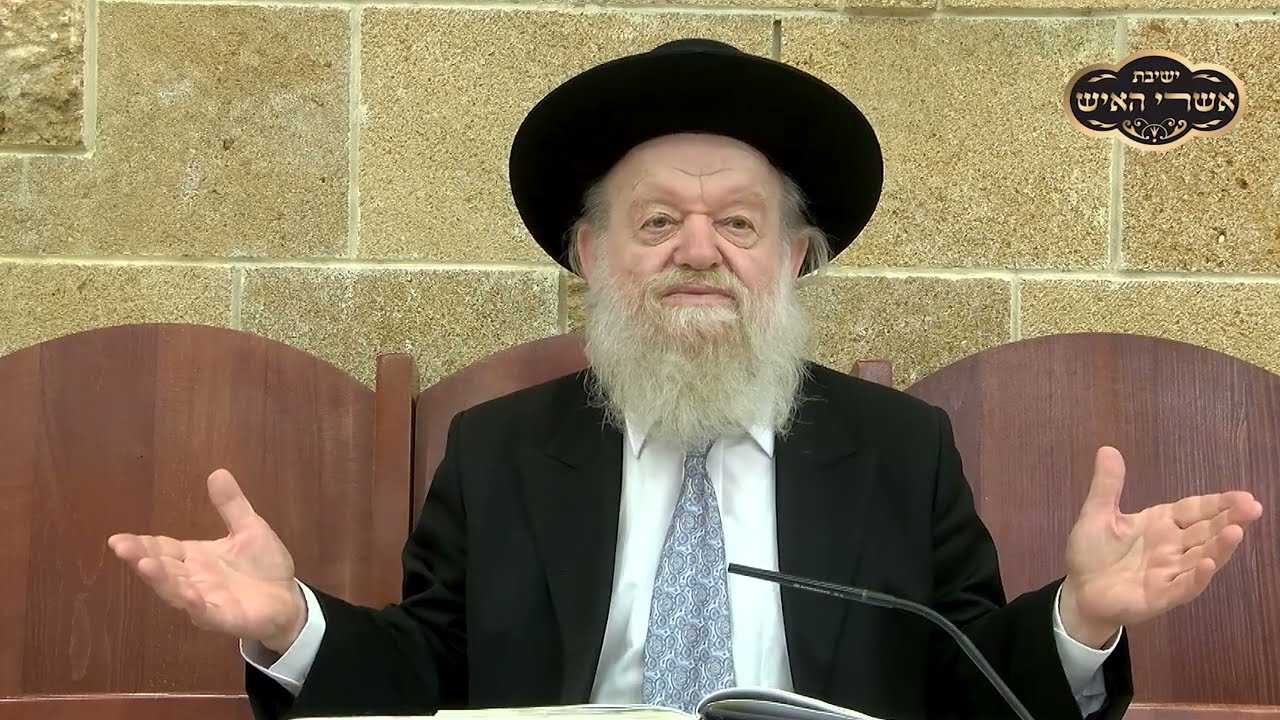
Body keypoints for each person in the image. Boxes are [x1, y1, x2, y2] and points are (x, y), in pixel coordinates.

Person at [107, 38, 1263, 720]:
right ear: (589, 255)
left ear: (793, 258)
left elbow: (964, 690)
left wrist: (1078, 619)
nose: (697, 251)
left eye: (738, 224)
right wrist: (291, 626)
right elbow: (427, 676)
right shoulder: (500, 451)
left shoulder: (896, 448)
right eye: (655, 222)